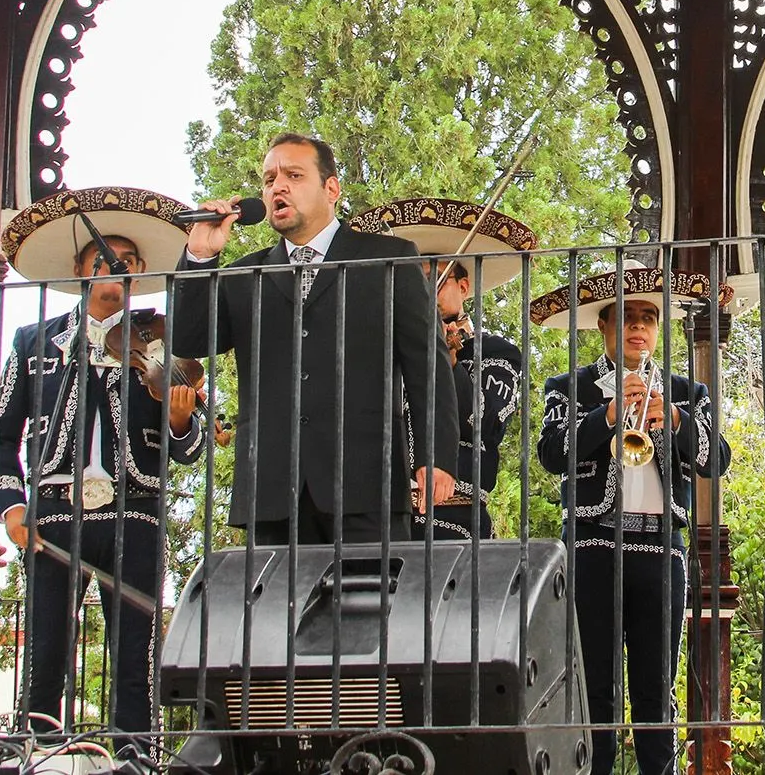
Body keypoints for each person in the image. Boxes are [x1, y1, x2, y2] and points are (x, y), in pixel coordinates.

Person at [0, 186, 205, 747]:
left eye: (129, 264)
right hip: (56, 516)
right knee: (45, 653)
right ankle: (40, 753)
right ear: (80, 272)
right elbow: (1, 437)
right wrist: (12, 508)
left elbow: (190, 446)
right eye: (105, 261)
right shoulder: (36, 341)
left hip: (137, 512)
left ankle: (136, 756)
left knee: (136, 654)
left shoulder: (163, 344)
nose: (119, 271)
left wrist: (182, 422)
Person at [172, 134, 459, 545]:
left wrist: (434, 458)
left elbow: (425, 366)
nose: (277, 187)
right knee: (275, 611)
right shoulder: (245, 274)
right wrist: (201, 255)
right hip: (271, 491)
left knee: (367, 607)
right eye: (269, 179)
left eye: (293, 175)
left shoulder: (389, 258)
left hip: (366, 484)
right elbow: (190, 338)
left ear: (331, 189)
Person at [533, 267, 729, 775]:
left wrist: (679, 421)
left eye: (648, 318)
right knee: (594, 681)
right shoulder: (569, 385)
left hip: (662, 549)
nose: (639, 327)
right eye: (627, 317)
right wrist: (608, 416)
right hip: (593, 546)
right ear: (603, 326)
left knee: (655, 685)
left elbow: (716, 460)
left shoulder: (687, 392)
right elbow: (551, 452)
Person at [349, 197, 537, 541]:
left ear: (463, 287)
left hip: (455, 511)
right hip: (381, 512)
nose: (425, 292)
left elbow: (484, 419)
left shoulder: (496, 351)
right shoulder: (385, 349)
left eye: (437, 280)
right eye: (416, 283)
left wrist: (449, 364)